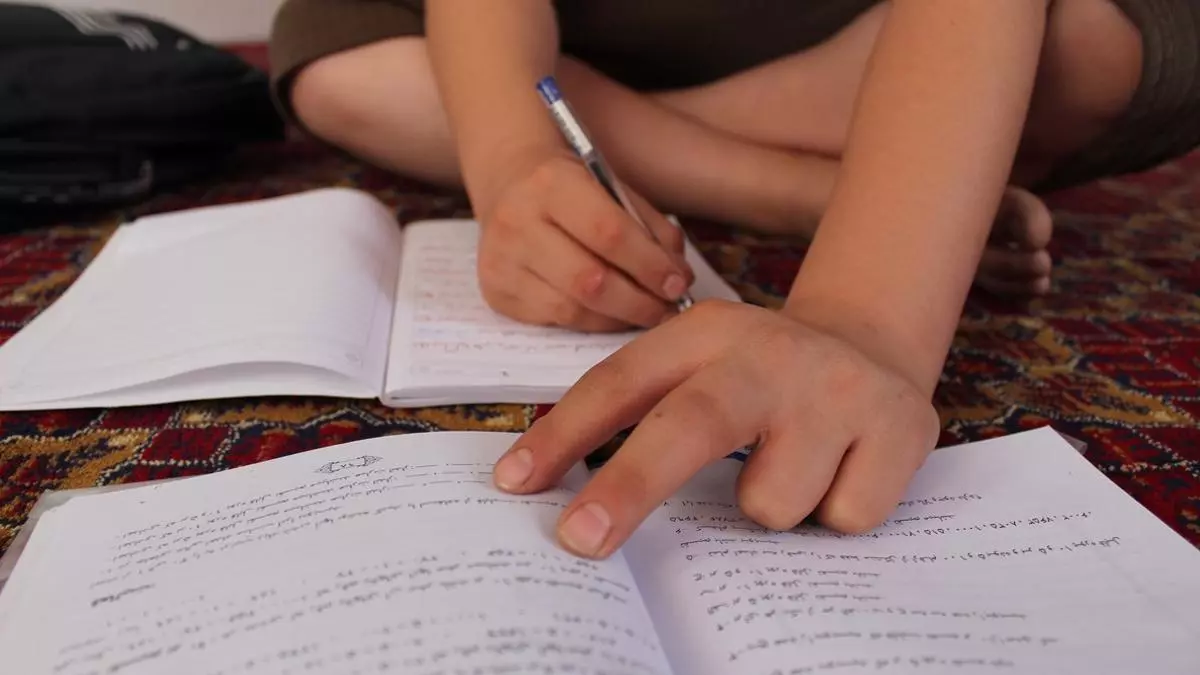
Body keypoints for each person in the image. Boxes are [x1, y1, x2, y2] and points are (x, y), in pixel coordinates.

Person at [269, 0, 1200, 559]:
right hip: (598, 25)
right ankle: (801, 181)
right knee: (334, 63)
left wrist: (864, 318)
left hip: (868, 28)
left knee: (1096, 45)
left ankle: (681, 137)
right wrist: (511, 152)